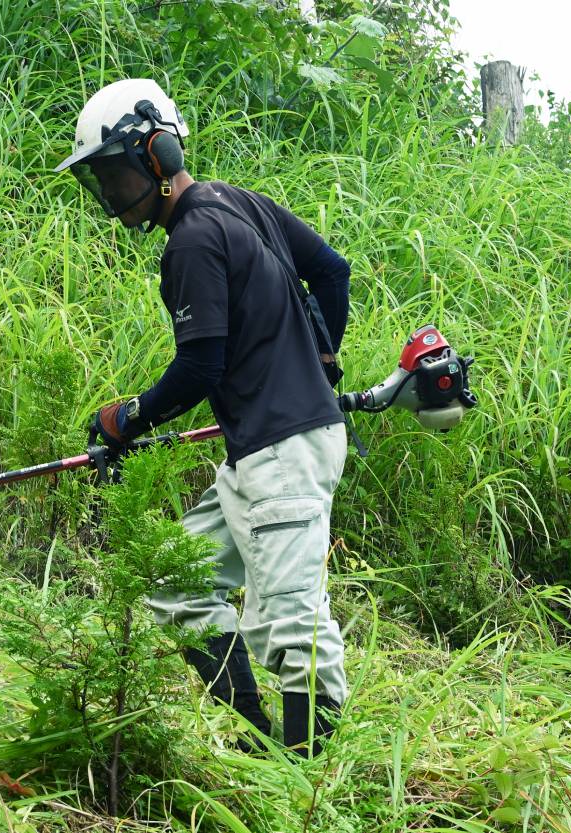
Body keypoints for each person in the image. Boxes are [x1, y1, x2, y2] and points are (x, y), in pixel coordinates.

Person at [54, 79, 352, 757]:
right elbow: (331, 272)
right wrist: (322, 360)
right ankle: (254, 744)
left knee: (292, 623)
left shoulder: (189, 240)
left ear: (156, 154)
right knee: (175, 582)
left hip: (285, 452)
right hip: (262, 449)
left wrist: (125, 417)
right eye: (98, 178)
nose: (108, 191)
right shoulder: (238, 203)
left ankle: (311, 782)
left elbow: (199, 369)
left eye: (113, 172)